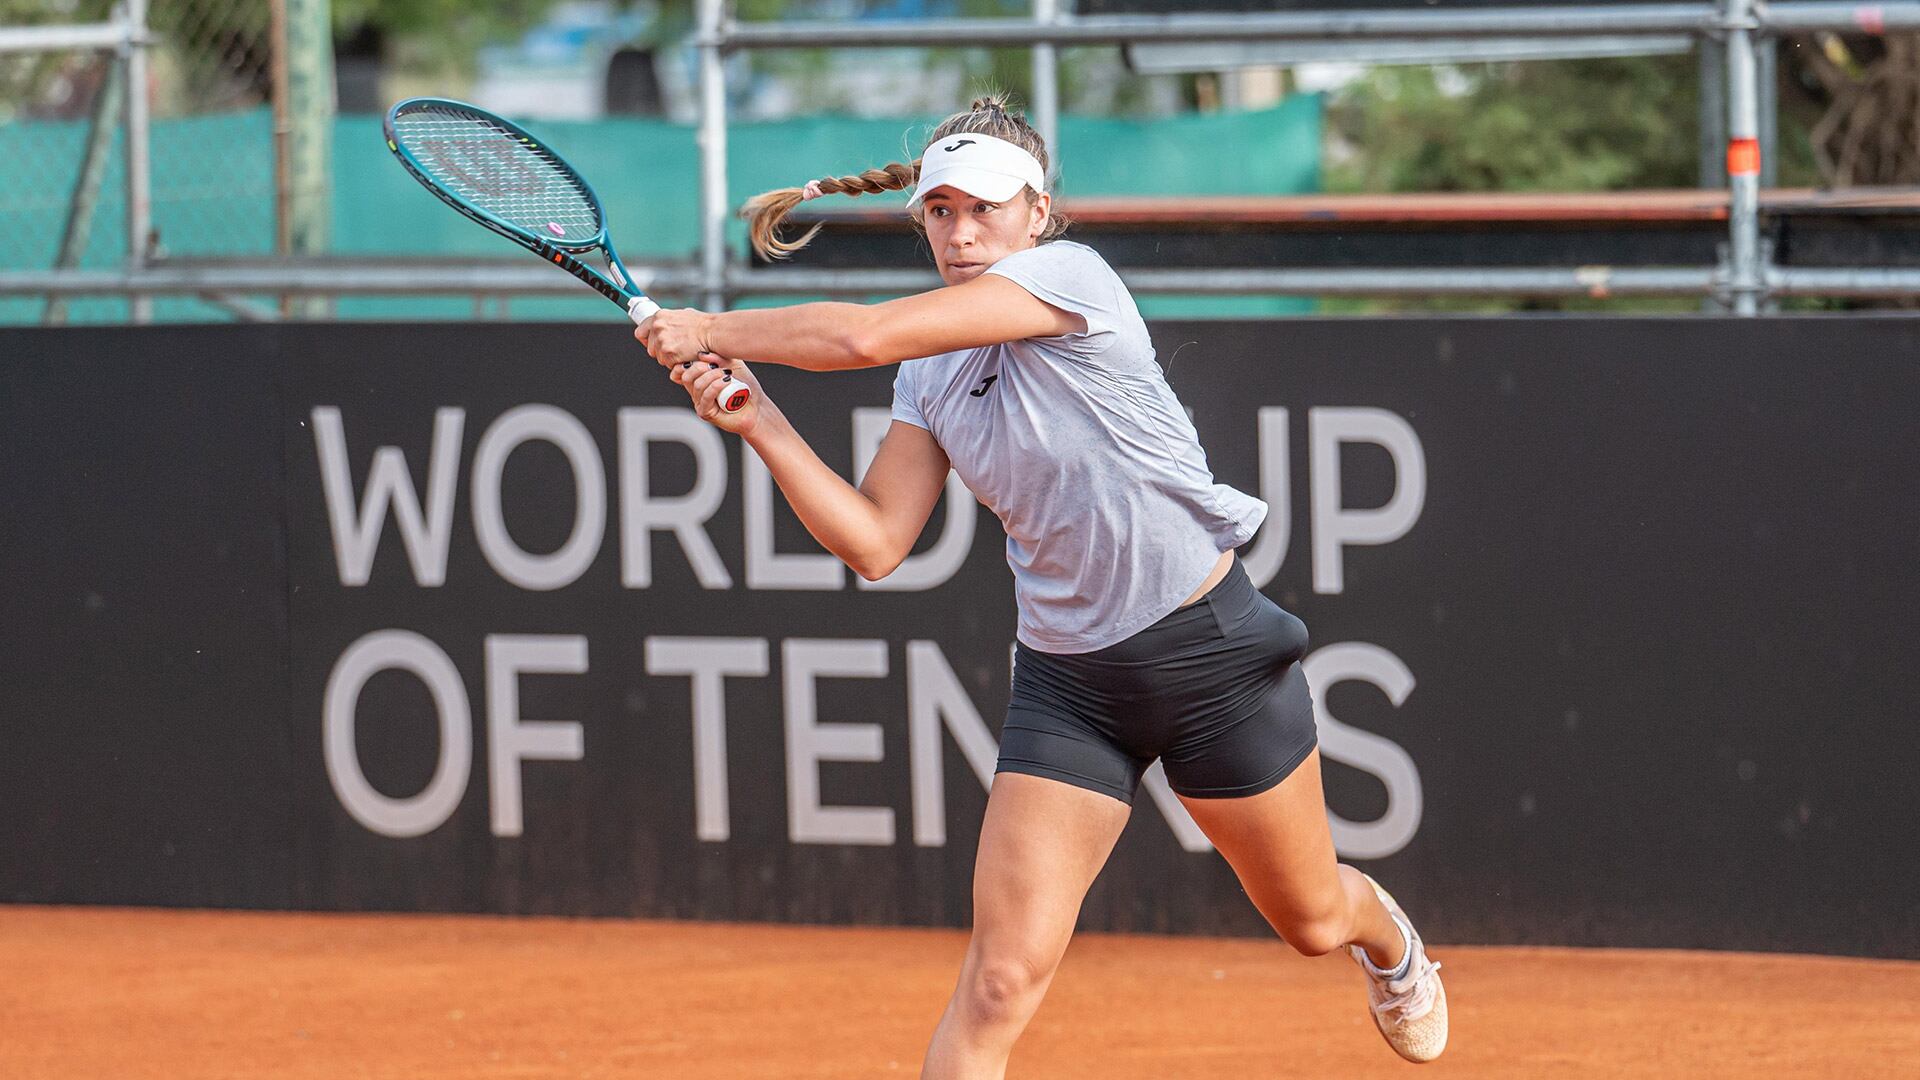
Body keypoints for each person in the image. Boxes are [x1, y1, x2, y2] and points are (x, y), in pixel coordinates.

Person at [636, 95, 1447, 1077]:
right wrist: (760, 420)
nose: (963, 232)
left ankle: (1390, 943)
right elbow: (877, 541)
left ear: (1036, 212)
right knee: (998, 983)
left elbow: (862, 337)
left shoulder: (1071, 279)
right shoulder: (931, 378)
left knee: (1313, 918)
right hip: (1071, 692)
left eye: (984, 208)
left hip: (1210, 659)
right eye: (941, 211)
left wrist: (705, 325)